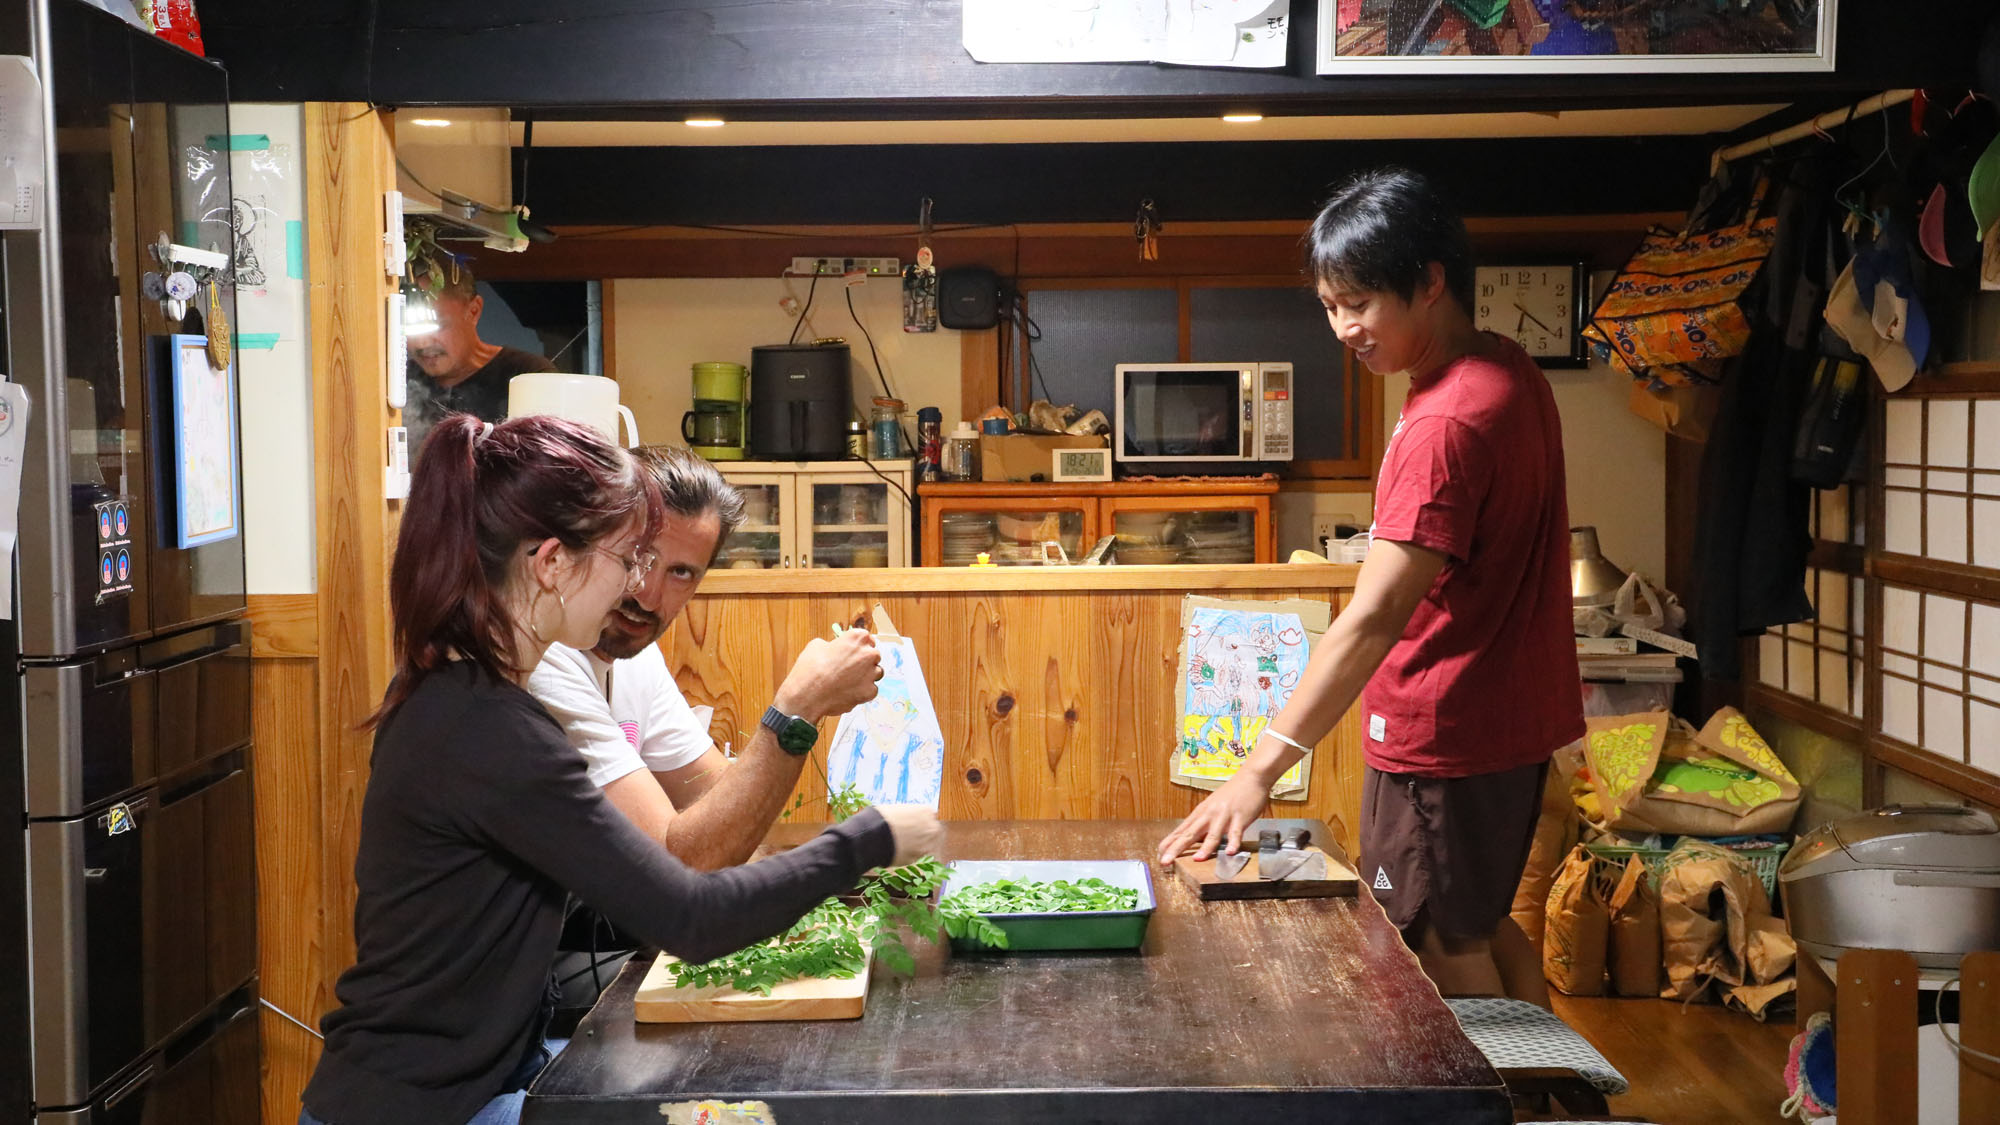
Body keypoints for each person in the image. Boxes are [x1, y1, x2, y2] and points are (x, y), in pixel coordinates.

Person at [299, 414, 941, 1125]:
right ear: (552, 564)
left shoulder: (465, 696)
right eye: (627, 557)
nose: (637, 587)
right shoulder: (494, 730)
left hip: (474, 1084)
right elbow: (692, 915)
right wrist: (870, 837)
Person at [1156, 167, 1581, 1007]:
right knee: (1481, 923)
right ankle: (1557, 1080)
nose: (1344, 328)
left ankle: (1499, 1086)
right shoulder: (1505, 368)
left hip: (1445, 733)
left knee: (1433, 942)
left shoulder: (1445, 421)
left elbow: (1374, 615)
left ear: (1430, 282)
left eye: (1360, 302)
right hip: (1505, 723)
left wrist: (1257, 772)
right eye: (1329, 305)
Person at [528, 446, 877, 871]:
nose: (648, 596)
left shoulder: (636, 658)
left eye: (681, 573)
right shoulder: (544, 660)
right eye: (638, 559)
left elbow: (724, 807)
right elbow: (672, 863)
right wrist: (797, 710)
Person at [404, 266, 554, 454]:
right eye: (407, 326)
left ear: (473, 311)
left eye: (438, 324)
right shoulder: (397, 381)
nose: (422, 343)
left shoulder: (529, 375)